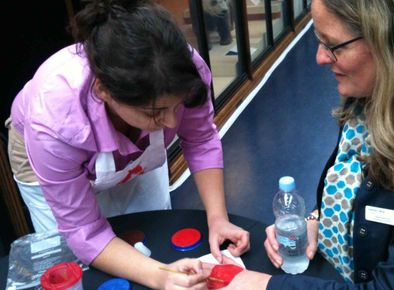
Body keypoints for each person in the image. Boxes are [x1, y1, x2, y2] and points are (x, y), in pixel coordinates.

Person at [5, 0, 249, 288]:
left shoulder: (182, 70)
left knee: (150, 234)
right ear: (104, 91)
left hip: (124, 140)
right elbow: (84, 230)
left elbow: (200, 138)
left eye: (177, 107)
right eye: (155, 112)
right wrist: (161, 276)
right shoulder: (53, 121)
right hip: (50, 151)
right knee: (75, 266)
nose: (172, 123)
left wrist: (218, 218)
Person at [216, 0, 394, 289]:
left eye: (333, 45)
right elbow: (360, 191)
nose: (319, 58)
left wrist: (263, 286)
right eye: (319, 41)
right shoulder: (370, 96)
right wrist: (316, 220)